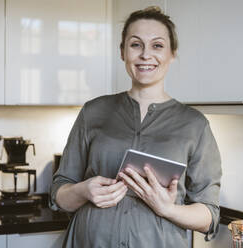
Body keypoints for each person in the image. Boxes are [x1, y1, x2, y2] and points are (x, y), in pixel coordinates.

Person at [50, 6, 222, 248]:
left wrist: (168, 209)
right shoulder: (93, 112)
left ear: (172, 53)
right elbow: (60, 195)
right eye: (136, 44)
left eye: (157, 45)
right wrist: (83, 191)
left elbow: (209, 215)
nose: (145, 55)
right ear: (122, 52)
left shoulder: (195, 125)